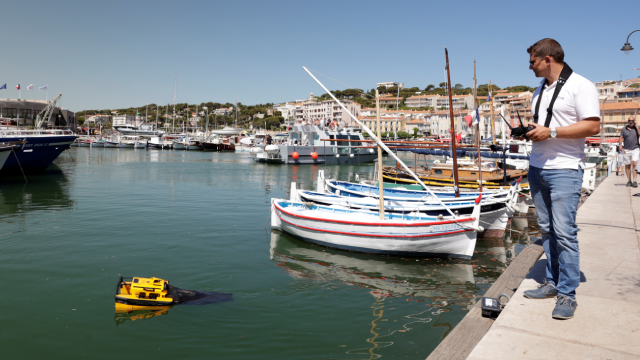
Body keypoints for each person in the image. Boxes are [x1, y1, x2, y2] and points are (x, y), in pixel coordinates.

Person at [521, 39, 600, 320]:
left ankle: (568, 295)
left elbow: (593, 125)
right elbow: (542, 127)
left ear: (548, 59)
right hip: (537, 167)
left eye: (532, 61)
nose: (529, 66)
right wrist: (526, 132)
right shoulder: (538, 90)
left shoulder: (581, 85)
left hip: (565, 168)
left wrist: (551, 132)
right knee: (547, 230)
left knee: (565, 233)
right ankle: (553, 283)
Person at [619, 116, 640, 186]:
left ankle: (634, 181)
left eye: (632, 120)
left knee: (634, 163)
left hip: (635, 149)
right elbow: (621, 137)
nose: (631, 122)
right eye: (629, 120)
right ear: (628, 121)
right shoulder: (624, 129)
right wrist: (620, 145)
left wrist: (637, 126)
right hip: (626, 149)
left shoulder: (637, 128)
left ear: (634, 121)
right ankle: (629, 180)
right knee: (627, 165)